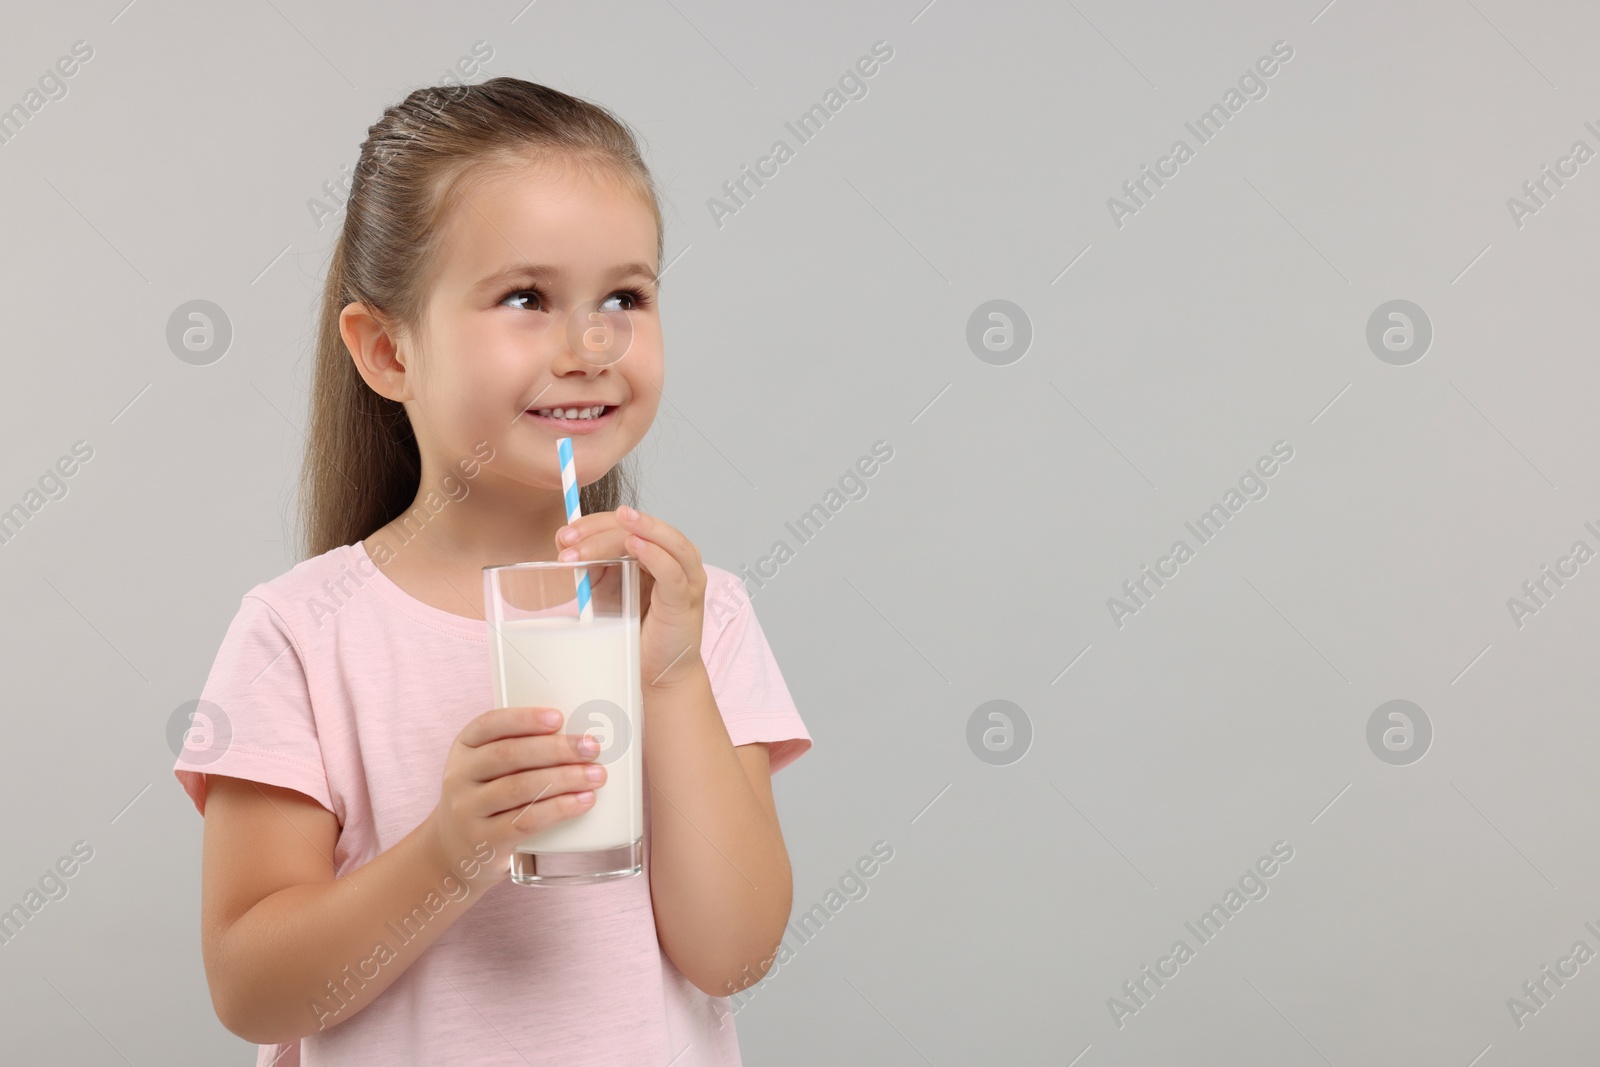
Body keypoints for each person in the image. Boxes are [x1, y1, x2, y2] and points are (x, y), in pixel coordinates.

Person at [172, 76, 811, 1066]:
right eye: (526, 297)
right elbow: (254, 989)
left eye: (625, 297)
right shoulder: (303, 632)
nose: (592, 343)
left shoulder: (695, 616)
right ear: (387, 349)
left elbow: (732, 950)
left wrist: (672, 677)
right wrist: (449, 850)